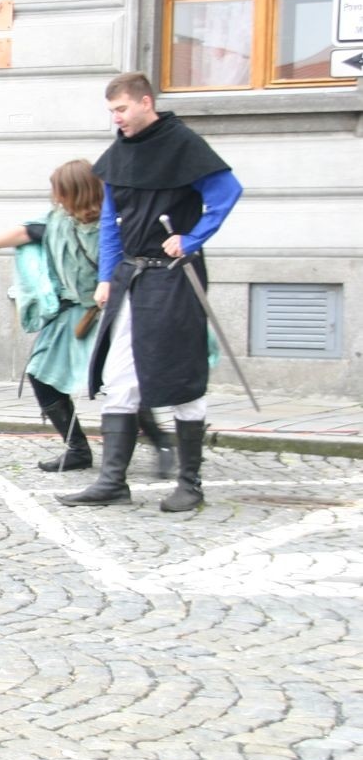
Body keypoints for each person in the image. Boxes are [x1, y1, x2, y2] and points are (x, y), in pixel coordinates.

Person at [59, 72, 242, 512]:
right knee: (120, 376)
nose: (116, 118)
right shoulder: (119, 154)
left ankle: (189, 484)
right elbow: (110, 222)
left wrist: (192, 238)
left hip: (175, 276)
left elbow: (227, 193)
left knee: (180, 375)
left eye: (121, 109)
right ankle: (112, 482)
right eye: (112, 111)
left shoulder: (184, 144)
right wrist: (106, 277)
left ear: (145, 102)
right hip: (131, 277)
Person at [0, 160, 175, 476]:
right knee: (41, 374)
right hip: (72, 315)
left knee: (122, 382)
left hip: (113, 314)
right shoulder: (57, 223)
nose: (56, 198)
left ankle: (162, 442)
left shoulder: (118, 226)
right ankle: (77, 449)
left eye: (61, 191)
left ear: (77, 192)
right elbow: (22, 232)